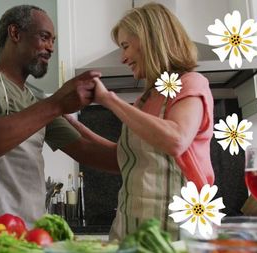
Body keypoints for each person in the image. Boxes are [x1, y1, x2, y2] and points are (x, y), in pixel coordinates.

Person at [0, 5, 118, 244]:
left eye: (53, 41)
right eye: (44, 37)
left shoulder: (36, 100)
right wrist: (56, 103)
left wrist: (152, 147)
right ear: (15, 34)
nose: (51, 47)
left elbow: (89, 151)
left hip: (27, 233)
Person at [65, 3, 215, 240]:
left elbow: (176, 140)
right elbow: (126, 159)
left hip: (175, 232)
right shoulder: (145, 100)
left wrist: (109, 100)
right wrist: (68, 123)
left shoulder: (191, 83)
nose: (123, 58)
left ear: (151, 40)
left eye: (125, 46)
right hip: (131, 226)